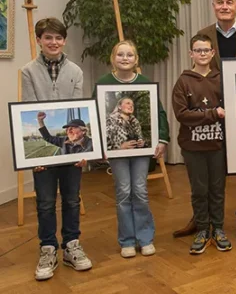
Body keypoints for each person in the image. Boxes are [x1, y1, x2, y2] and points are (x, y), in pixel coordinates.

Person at [174, 0, 236, 242]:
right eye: (220, 2)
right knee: (208, 170)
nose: (224, 6)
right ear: (213, 5)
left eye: (229, 2)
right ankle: (201, 218)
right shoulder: (202, 35)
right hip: (211, 113)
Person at [21, 18, 91, 281]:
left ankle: (71, 245)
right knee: (45, 203)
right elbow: (27, 107)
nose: (53, 42)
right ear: (39, 40)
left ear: (64, 40)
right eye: (47, 37)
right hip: (44, 161)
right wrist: (31, 158)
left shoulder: (75, 70)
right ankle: (48, 248)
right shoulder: (28, 71)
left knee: (72, 200)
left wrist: (82, 152)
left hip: (72, 154)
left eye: (58, 38)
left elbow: (79, 111)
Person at [95, 40, 170, 258]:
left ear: (136, 59)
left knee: (140, 191)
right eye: (120, 54)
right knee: (123, 192)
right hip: (116, 154)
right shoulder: (103, 84)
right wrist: (100, 145)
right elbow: (95, 117)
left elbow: (160, 114)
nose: (125, 58)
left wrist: (162, 139)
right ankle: (127, 240)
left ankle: (145, 238)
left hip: (140, 154)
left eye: (129, 55)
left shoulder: (145, 83)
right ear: (113, 58)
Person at [172, 34, 232, 254]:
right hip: (193, 147)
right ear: (191, 54)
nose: (203, 54)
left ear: (212, 53)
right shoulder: (183, 81)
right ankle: (202, 229)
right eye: (198, 50)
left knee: (217, 189)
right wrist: (212, 113)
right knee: (199, 190)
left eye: (206, 50)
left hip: (217, 146)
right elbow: (182, 114)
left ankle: (218, 229)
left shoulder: (222, 79)